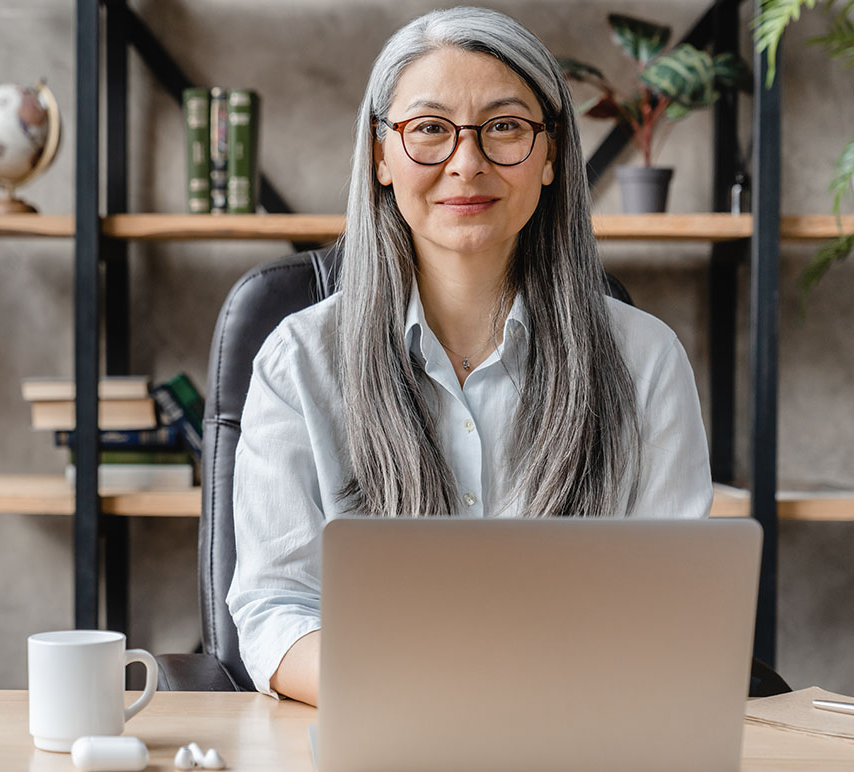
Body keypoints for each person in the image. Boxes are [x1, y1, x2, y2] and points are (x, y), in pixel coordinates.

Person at [226, 6, 712, 707]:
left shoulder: (646, 361)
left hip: (580, 736)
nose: (466, 161)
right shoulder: (300, 361)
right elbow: (275, 609)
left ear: (550, 157)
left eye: (505, 127)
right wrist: (423, 698)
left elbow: (673, 609)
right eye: (429, 129)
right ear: (380, 156)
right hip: (380, 728)